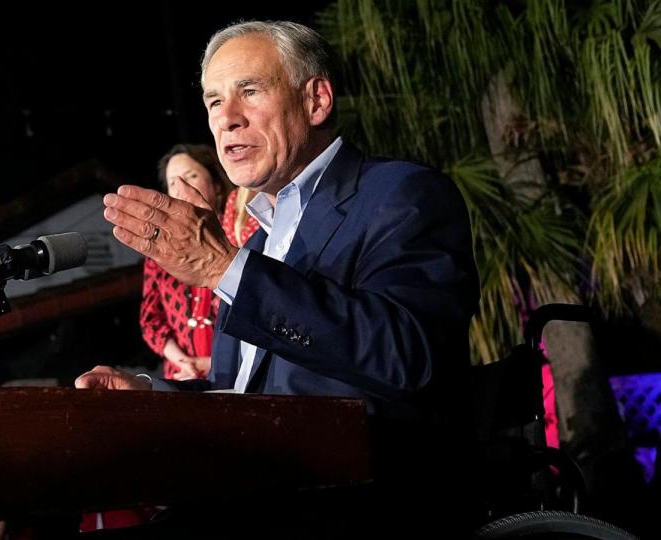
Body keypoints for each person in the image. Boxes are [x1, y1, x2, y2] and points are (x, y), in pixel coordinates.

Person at [76, 20, 480, 536]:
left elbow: (407, 355)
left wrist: (223, 269)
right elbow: (240, 398)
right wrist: (149, 393)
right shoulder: (256, 243)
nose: (228, 119)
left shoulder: (402, 194)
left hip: (354, 504)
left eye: (250, 91)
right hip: (245, 497)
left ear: (316, 101)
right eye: (214, 102)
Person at [140, 143, 232, 381]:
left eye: (191, 176)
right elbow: (151, 320)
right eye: (173, 182)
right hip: (182, 377)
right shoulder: (159, 252)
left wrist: (210, 363)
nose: (181, 187)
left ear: (217, 186)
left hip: (235, 374)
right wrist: (185, 363)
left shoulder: (239, 238)